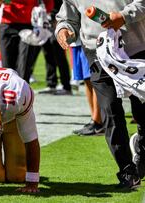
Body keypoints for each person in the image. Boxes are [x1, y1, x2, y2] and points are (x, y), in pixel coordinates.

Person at [56, 1, 145, 189]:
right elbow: (67, 16)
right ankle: (127, 171)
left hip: (134, 47)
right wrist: (64, 30)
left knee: (142, 109)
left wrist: (124, 16)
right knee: (110, 110)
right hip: (97, 51)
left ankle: (142, 147)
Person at [0, 0, 53, 83]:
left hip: (28, 25)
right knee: (7, 70)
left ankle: (22, 95)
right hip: (7, 26)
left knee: (24, 69)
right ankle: (8, 95)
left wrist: (43, 14)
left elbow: (49, 4)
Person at [70, 41, 104, 136]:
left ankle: (98, 121)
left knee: (93, 79)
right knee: (87, 80)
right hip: (75, 42)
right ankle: (94, 119)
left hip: (88, 42)